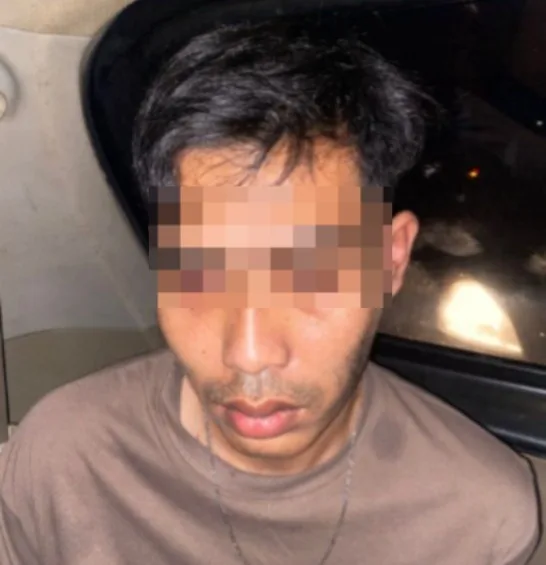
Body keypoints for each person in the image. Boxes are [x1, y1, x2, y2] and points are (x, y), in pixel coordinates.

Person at [0, 17, 540, 565]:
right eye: (200, 274)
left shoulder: (479, 520)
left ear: (391, 260)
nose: (250, 353)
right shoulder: (63, 462)